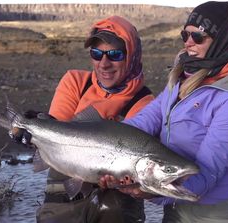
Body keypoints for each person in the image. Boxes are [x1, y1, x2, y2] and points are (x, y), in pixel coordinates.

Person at [100, 1, 228, 222]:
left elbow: (207, 171)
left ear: (222, 41)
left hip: (223, 212)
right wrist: (105, 150)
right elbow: (144, 122)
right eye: (185, 35)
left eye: (198, 37)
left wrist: (151, 191)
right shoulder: (182, 79)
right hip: (176, 209)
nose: (188, 43)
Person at [19, 15, 154, 223]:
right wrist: (32, 130)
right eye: (97, 54)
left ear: (132, 55)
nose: (104, 64)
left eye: (115, 55)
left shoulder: (145, 102)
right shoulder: (75, 81)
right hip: (63, 188)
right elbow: (56, 133)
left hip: (116, 197)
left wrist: (125, 182)